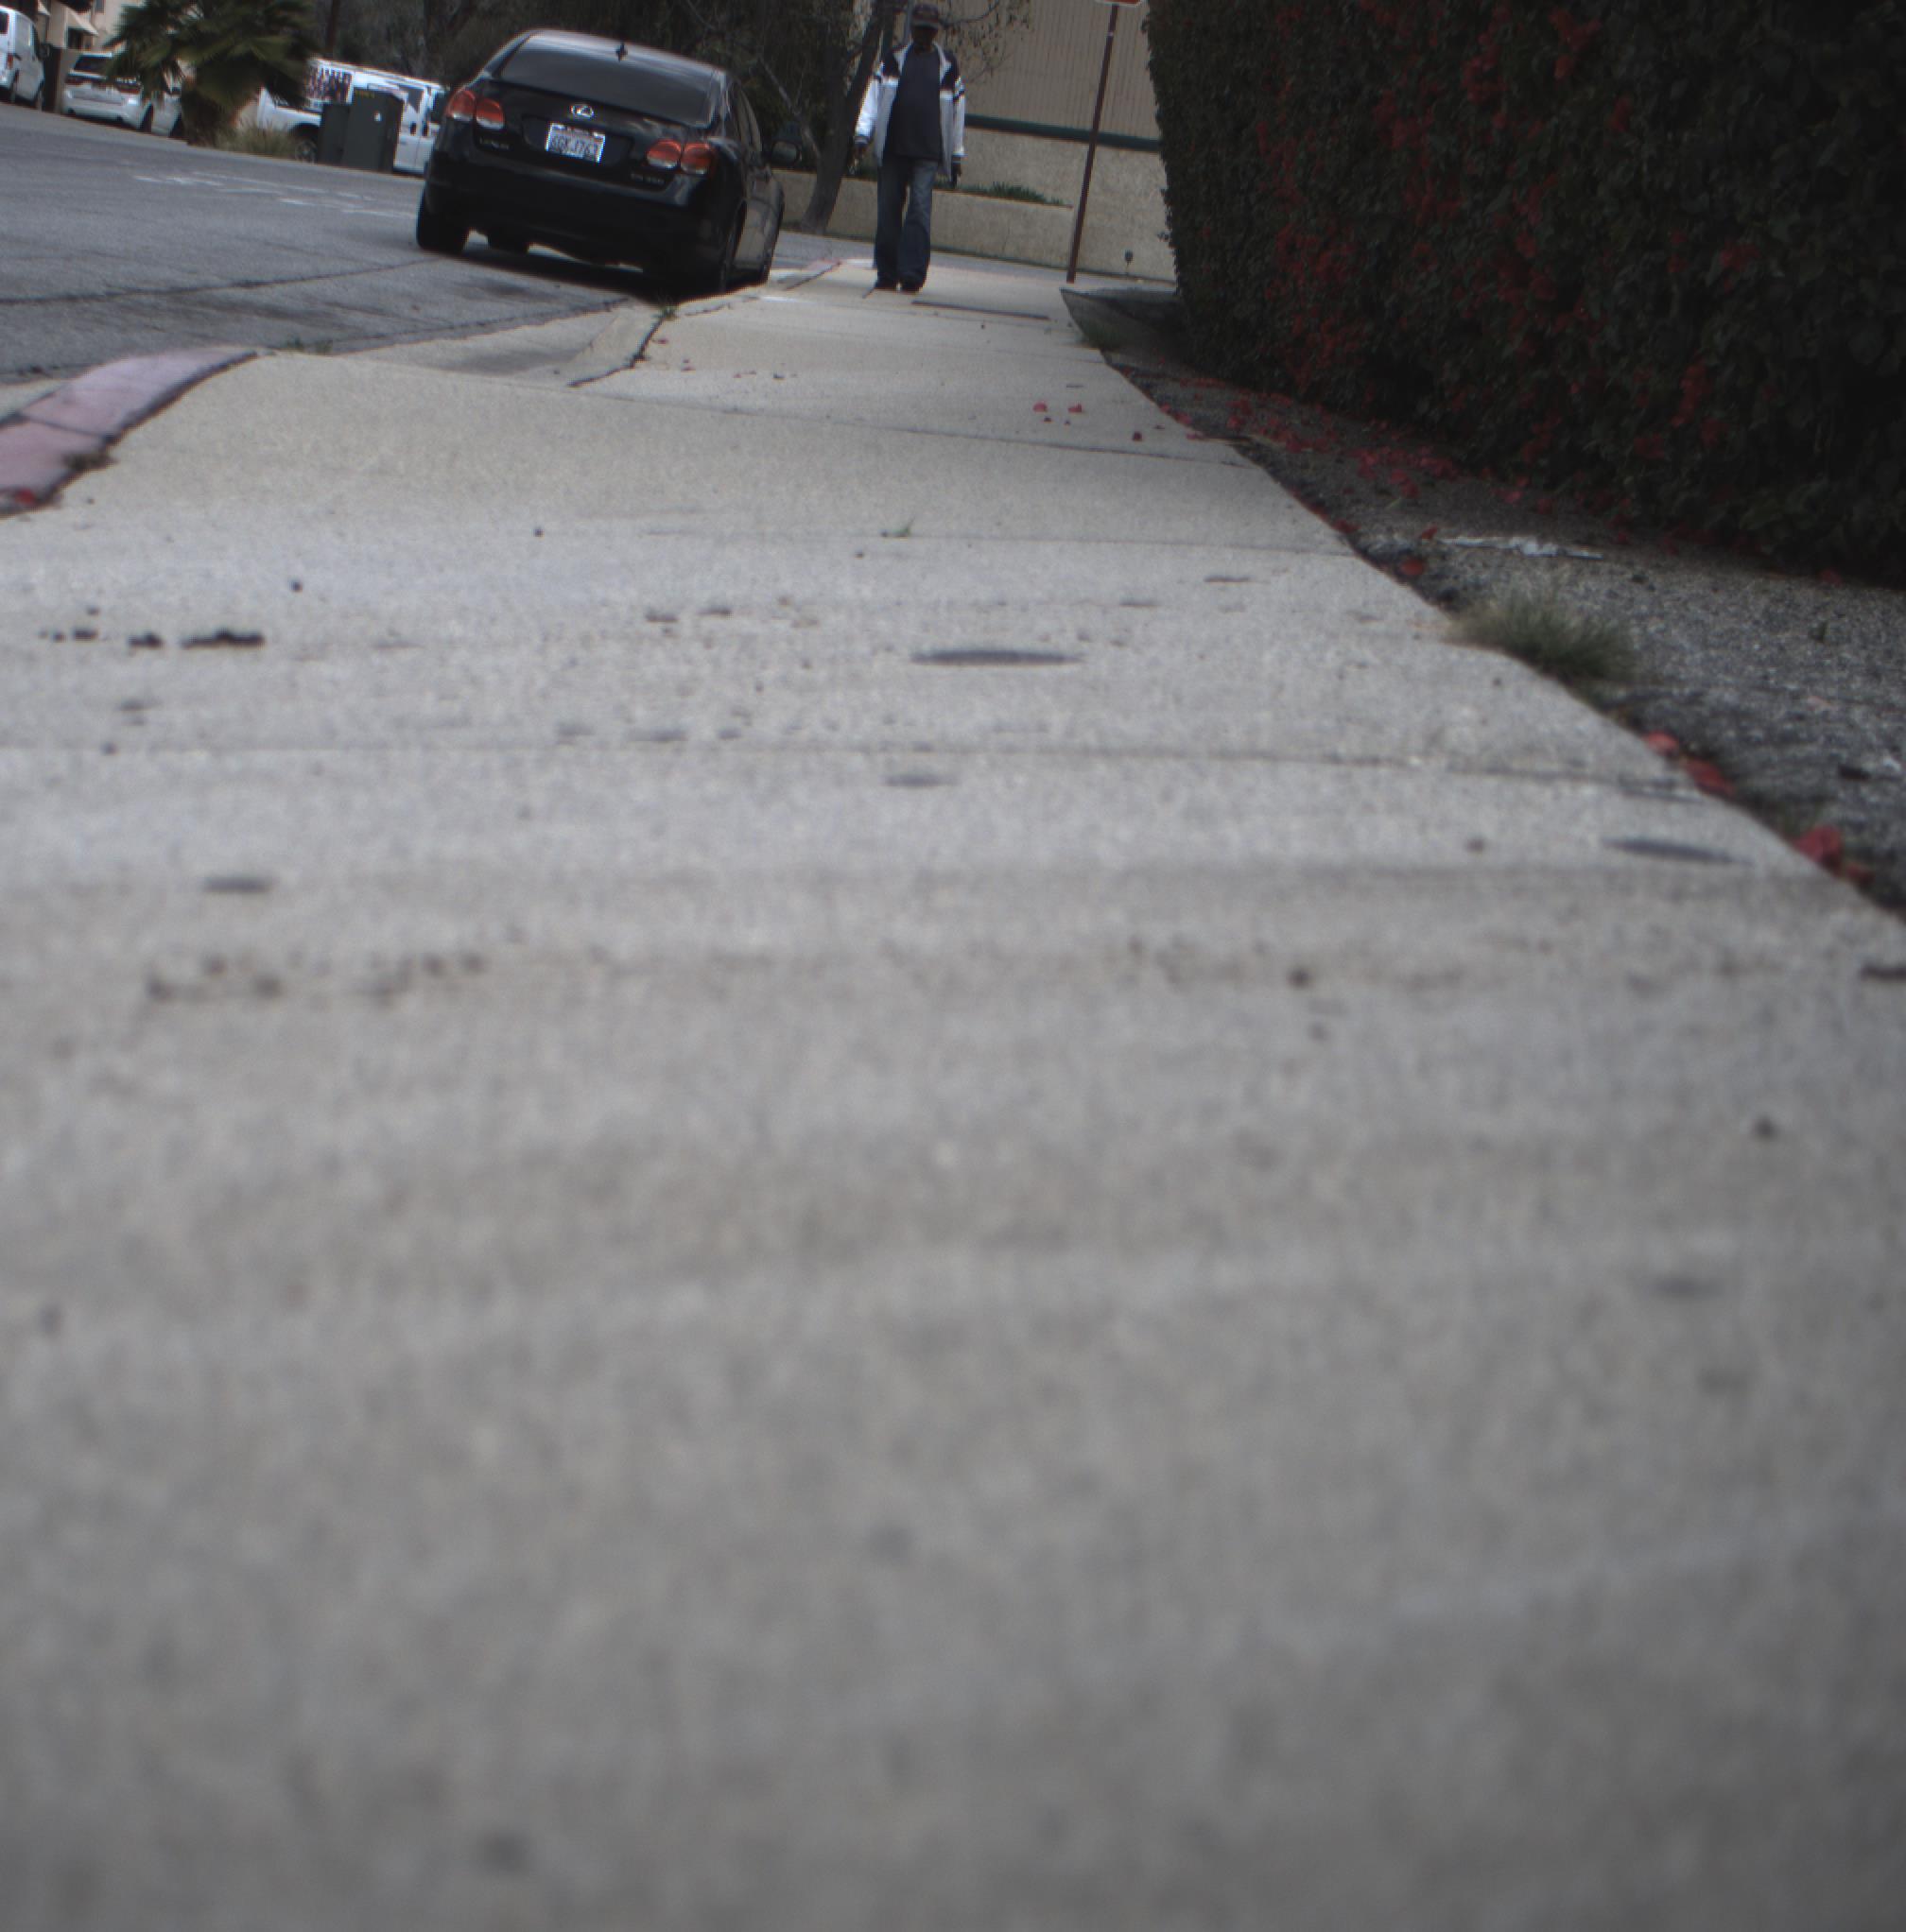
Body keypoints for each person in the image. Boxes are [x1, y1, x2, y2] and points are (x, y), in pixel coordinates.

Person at [853, 3, 966, 294]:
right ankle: (887, 273)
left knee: (919, 211)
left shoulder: (947, 66)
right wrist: (863, 134)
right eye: (920, 29)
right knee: (888, 211)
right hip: (893, 149)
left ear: (935, 32)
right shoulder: (893, 60)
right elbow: (874, 97)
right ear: (912, 29)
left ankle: (913, 274)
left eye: (929, 30)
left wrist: (956, 154)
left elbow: (957, 112)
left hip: (927, 152)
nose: (924, 34)